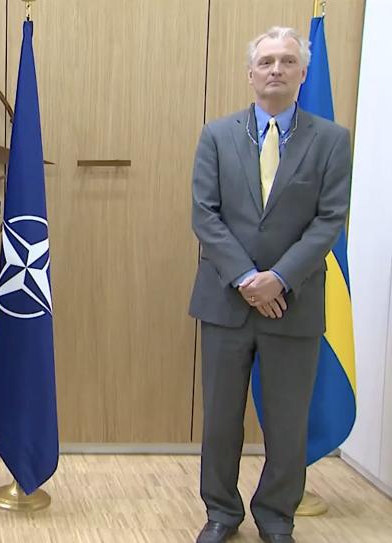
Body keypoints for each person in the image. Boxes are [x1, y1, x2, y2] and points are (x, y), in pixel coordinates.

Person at [189, 26, 352, 543]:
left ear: (304, 73)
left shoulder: (331, 139)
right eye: (266, 62)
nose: (275, 70)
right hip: (225, 300)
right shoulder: (217, 134)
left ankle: (277, 517)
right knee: (220, 421)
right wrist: (246, 278)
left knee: (286, 423)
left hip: (294, 303)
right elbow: (205, 215)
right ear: (251, 72)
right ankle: (221, 512)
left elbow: (329, 220)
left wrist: (278, 278)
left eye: (286, 62)